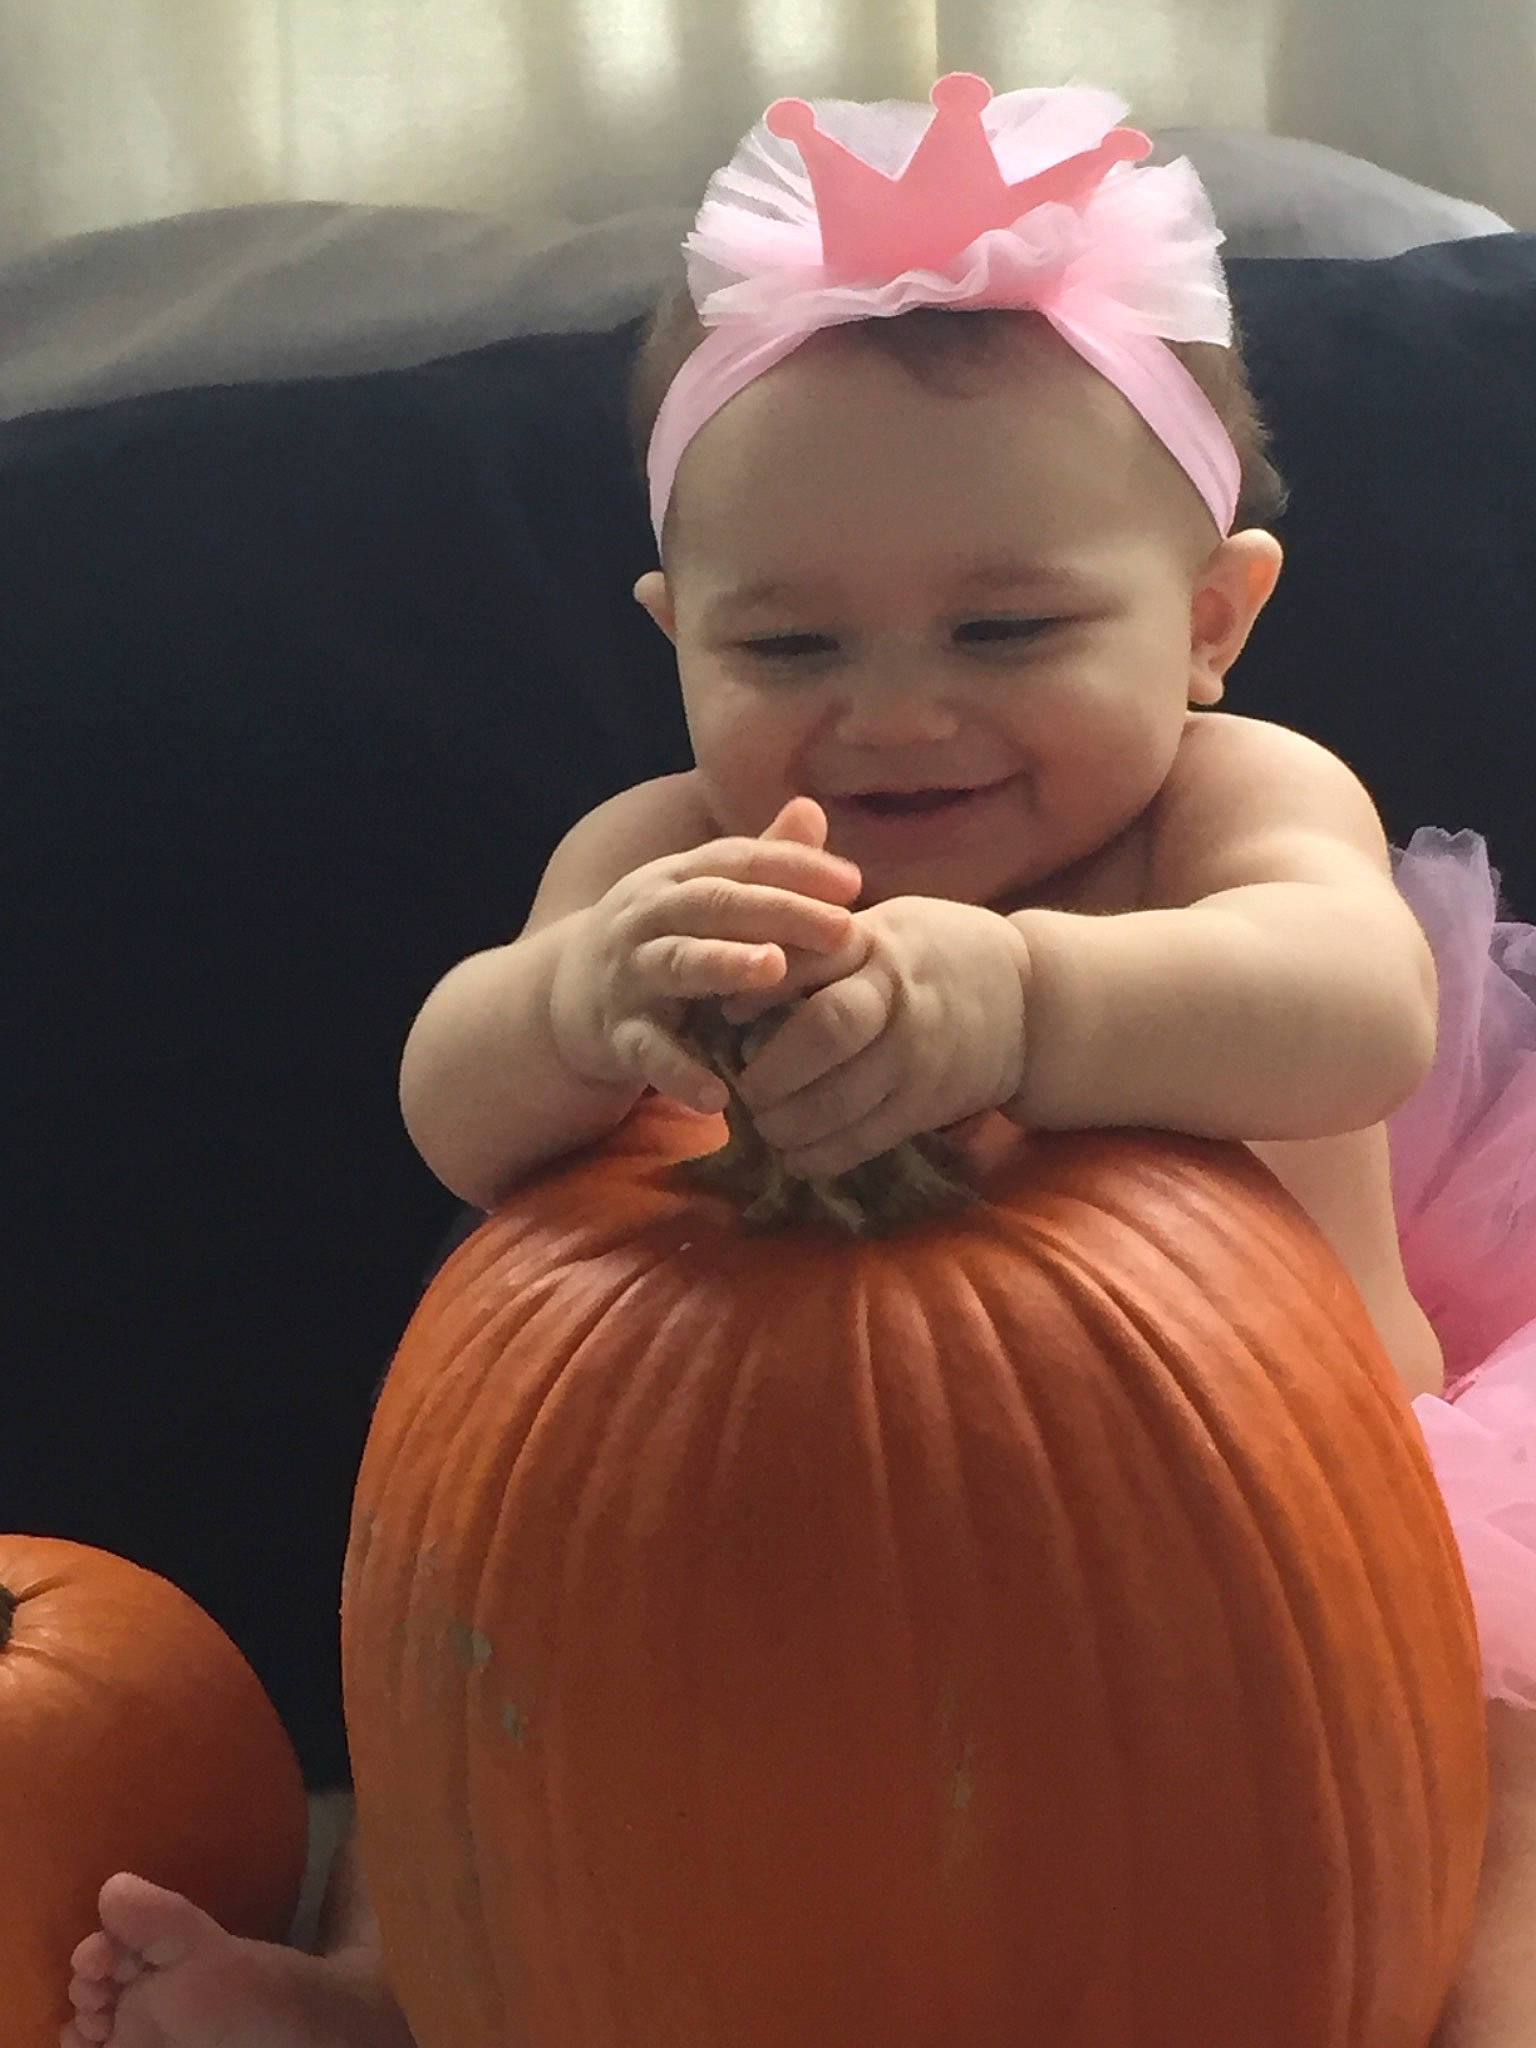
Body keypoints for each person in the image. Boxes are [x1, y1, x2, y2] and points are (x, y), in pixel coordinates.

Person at [61, 74, 1536, 2048]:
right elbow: (454, 1108)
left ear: (1209, 622)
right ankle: (384, 1991)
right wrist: (578, 1004)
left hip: (1262, 1551)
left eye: (1007, 628)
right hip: (758, 1560)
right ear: (677, 638)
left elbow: (1355, 1006)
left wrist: (1024, 1002)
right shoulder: (666, 857)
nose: (895, 717)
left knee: (1491, 1787)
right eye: (790, 651)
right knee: (497, 1679)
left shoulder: (1233, 807)